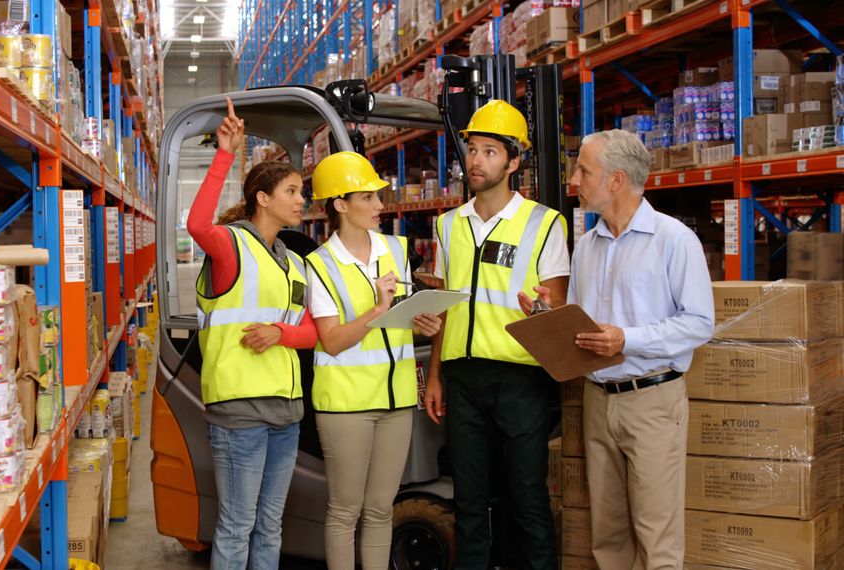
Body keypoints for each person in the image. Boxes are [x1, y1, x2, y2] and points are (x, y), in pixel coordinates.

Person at [520, 129, 713, 570]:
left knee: (656, 533)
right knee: (607, 535)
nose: (574, 179)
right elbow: (584, 321)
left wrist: (629, 338)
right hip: (598, 400)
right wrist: (549, 315)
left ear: (616, 180)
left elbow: (700, 322)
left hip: (652, 400)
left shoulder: (673, 239)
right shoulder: (587, 246)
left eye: (584, 170)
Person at [422, 99, 570, 570]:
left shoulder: (545, 224)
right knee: (468, 499)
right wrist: (435, 375)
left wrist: (542, 310)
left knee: (526, 498)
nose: (477, 160)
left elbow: (558, 308)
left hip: (520, 381)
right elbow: (445, 306)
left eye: (489, 151)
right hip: (463, 381)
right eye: (472, 149)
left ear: (514, 161)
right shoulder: (448, 225)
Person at [185, 97, 317, 570]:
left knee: (271, 524)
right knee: (237, 525)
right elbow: (196, 223)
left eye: (301, 192)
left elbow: (312, 333)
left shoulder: (296, 263)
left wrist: (281, 335)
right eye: (292, 191)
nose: (301, 201)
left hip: (286, 410)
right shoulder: (231, 245)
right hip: (239, 409)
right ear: (263, 198)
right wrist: (226, 154)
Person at [303, 151, 442, 570]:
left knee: (382, 509)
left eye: (379, 196)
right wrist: (376, 311)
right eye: (368, 197)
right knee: (346, 510)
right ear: (341, 205)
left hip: (396, 399)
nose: (381, 205)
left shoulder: (396, 250)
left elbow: (402, 323)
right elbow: (330, 341)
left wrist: (424, 324)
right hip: (346, 405)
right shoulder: (320, 265)